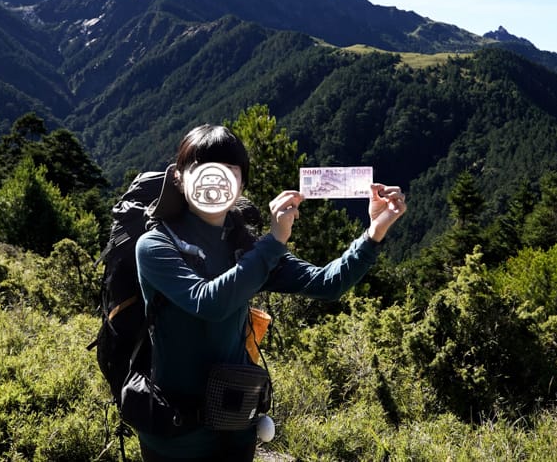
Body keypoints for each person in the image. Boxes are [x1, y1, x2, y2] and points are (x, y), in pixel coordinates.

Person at [135, 124, 407, 461]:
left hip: (236, 422)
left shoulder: (244, 246)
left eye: (230, 170)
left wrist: (374, 233)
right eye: (201, 168)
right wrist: (273, 242)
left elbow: (326, 284)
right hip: (175, 433)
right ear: (179, 177)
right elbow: (209, 303)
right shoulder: (156, 245)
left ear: (241, 184)